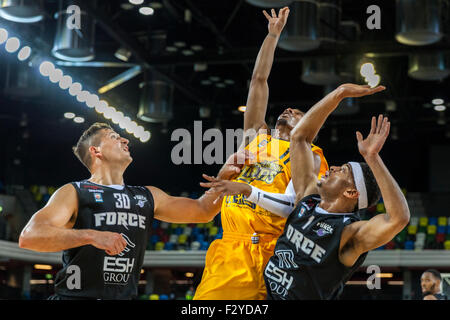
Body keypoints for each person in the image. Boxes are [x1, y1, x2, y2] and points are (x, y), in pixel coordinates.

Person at [202, 83, 411, 300]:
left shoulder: (349, 234)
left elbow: (398, 218)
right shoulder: (307, 200)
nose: (333, 167)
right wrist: (338, 94)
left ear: (351, 193)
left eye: (344, 170)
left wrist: (373, 158)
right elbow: (300, 137)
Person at [18, 123, 244, 300]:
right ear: (96, 151)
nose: (125, 139)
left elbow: (203, 210)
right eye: (114, 137)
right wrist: (91, 235)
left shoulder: (148, 195)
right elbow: (30, 237)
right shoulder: (75, 192)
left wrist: (225, 176)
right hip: (74, 297)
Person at [193, 7, 328, 300]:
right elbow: (258, 81)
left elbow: (296, 205)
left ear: (310, 127)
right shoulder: (257, 138)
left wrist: (247, 189)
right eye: (288, 108)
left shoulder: (311, 155)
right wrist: (272, 36)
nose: (289, 109)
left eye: (298, 112)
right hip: (230, 248)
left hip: (270, 250)